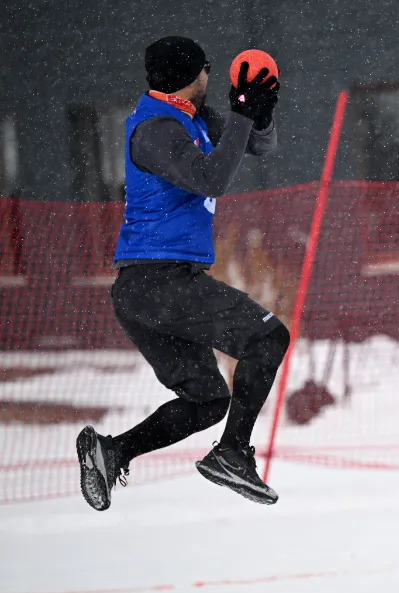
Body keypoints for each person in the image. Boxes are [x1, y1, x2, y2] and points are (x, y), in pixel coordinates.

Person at [76, 36, 287, 510]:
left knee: (208, 401)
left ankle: (112, 453)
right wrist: (240, 113)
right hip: (159, 282)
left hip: (154, 287)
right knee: (268, 339)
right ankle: (232, 454)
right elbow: (212, 177)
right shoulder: (155, 128)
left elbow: (259, 145)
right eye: (207, 70)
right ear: (196, 75)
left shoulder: (191, 118)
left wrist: (260, 109)